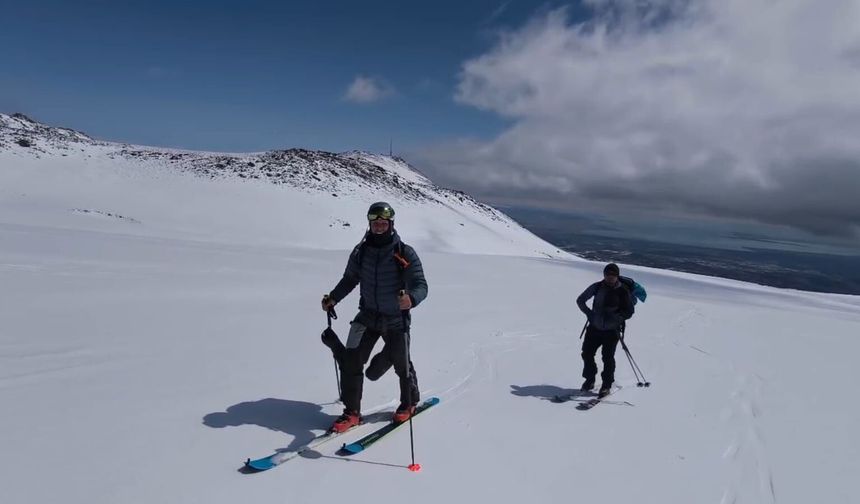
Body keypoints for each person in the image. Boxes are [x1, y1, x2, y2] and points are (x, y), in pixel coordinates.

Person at [321, 202, 428, 433]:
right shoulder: (361, 252)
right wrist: (334, 298)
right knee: (351, 361)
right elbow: (350, 279)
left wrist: (411, 298)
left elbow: (421, 284)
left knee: (402, 363)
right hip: (367, 316)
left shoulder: (404, 252)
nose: (379, 227)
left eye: (383, 224)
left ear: (391, 224)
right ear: (370, 225)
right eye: (376, 224)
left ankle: (409, 402)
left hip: (395, 319)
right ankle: (352, 412)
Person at [576, 263, 634, 397]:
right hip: (594, 328)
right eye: (607, 275)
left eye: (613, 275)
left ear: (617, 276)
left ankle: (606, 385)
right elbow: (580, 300)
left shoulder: (623, 291)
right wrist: (589, 314)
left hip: (611, 331)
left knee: (607, 357)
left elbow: (629, 311)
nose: (610, 277)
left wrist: (618, 319)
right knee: (587, 354)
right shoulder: (597, 287)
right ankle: (589, 380)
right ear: (604, 275)